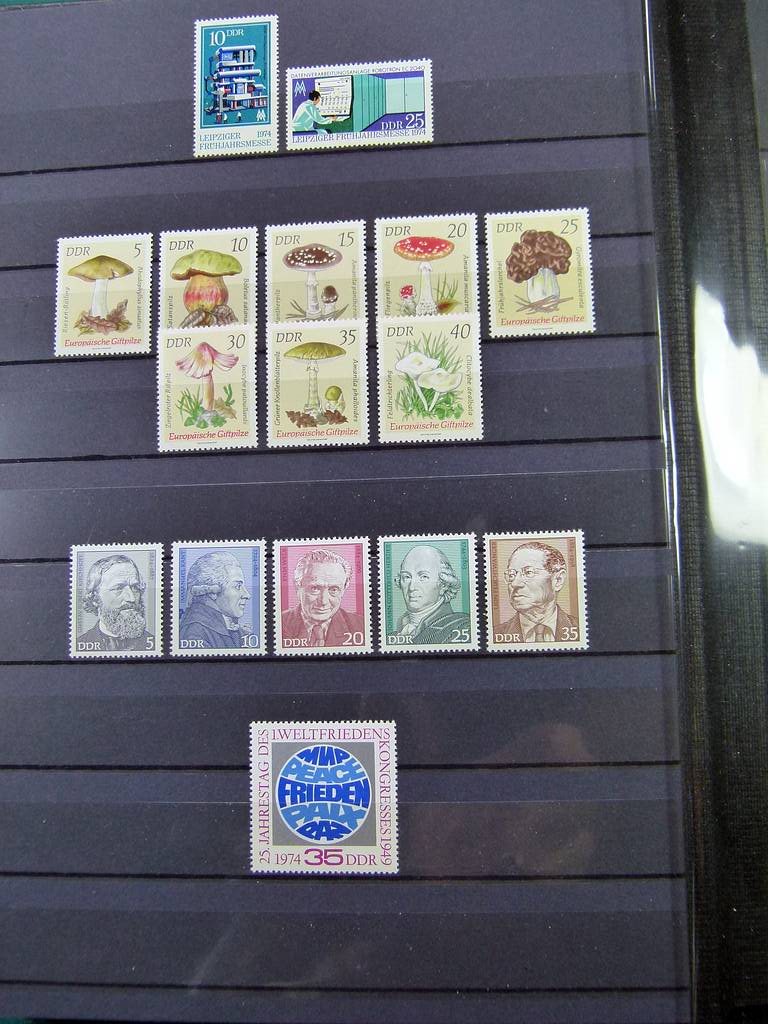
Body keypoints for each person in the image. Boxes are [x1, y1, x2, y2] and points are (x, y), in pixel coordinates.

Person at [496, 540, 579, 643]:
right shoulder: (495, 634)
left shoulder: (582, 629)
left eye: (528, 572)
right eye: (511, 574)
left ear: (558, 580)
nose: (515, 583)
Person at [281, 548, 364, 647]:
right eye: (315, 588)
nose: (323, 601)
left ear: (343, 590)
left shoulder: (361, 626)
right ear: (297, 588)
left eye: (334, 589)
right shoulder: (277, 624)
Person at [394, 544, 471, 644]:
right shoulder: (395, 634)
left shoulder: (463, 627)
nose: (411, 587)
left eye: (424, 577)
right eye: (407, 577)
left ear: (443, 585)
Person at [77, 553, 153, 653]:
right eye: (118, 588)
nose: (131, 598)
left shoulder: (155, 643)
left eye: (135, 587)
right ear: (95, 598)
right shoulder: (81, 643)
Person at [178, 551, 252, 650]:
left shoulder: (236, 631)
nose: (247, 595)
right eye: (238, 586)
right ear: (212, 592)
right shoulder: (195, 634)